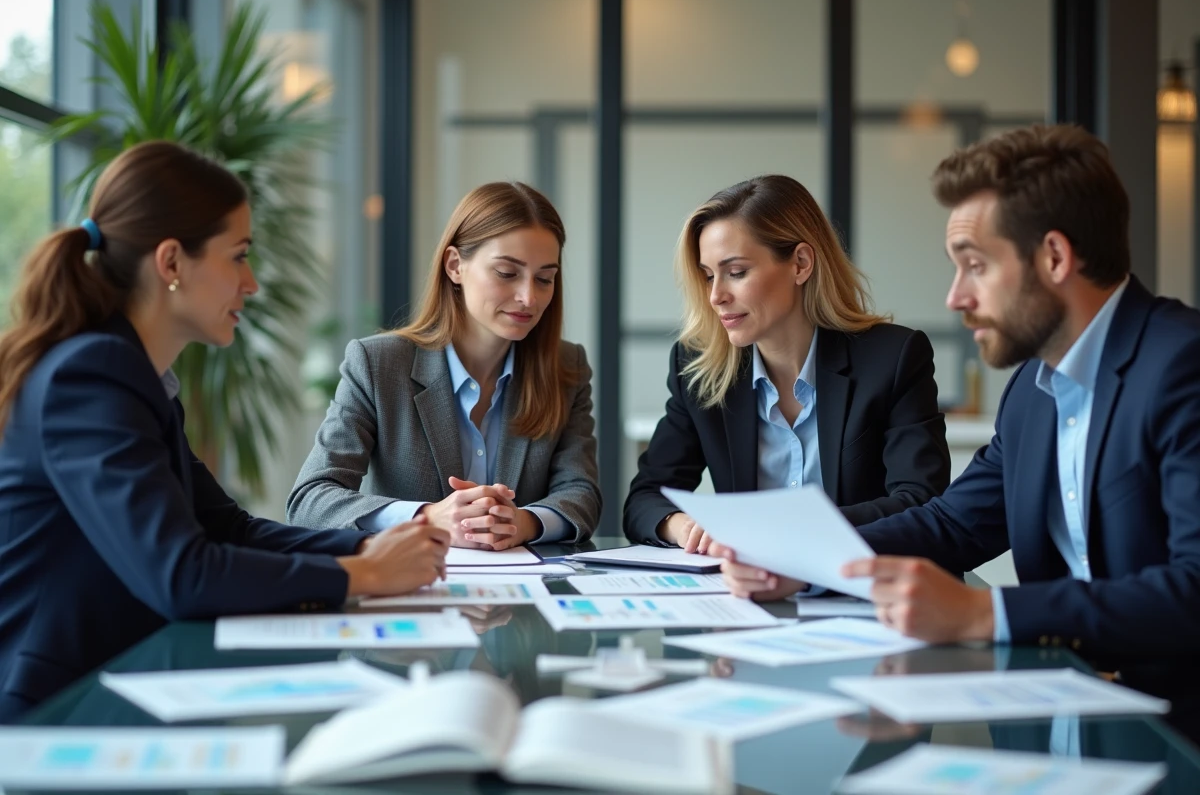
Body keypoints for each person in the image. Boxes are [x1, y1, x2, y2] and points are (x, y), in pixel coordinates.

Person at [720, 125, 1200, 734]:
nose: (956, 297)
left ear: (1054, 258)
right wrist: (808, 562)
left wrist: (984, 613)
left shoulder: (1182, 365)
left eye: (976, 266)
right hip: (1061, 713)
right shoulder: (1032, 390)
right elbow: (954, 523)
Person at [0, 141, 449, 721]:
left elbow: (227, 529)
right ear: (171, 263)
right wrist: (364, 573)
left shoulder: (135, 376)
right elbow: (181, 574)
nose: (251, 282)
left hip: (121, 686)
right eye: (238, 256)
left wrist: (367, 546)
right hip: (56, 713)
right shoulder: (92, 376)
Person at [624, 174, 950, 565]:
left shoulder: (893, 358)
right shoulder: (698, 368)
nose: (716, 296)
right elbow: (646, 499)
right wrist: (686, 526)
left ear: (800, 264)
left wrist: (784, 532)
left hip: (863, 585)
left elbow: (920, 501)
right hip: (747, 592)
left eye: (736, 272)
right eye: (708, 275)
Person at [288, 182, 600, 548]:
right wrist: (427, 517)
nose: (529, 297)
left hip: (524, 579)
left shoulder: (566, 368)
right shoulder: (378, 365)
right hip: (411, 577)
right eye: (506, 273)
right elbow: (310, 500)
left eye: (545, 279)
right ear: (455, 266)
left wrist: (523, 522)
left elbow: (581, 494)